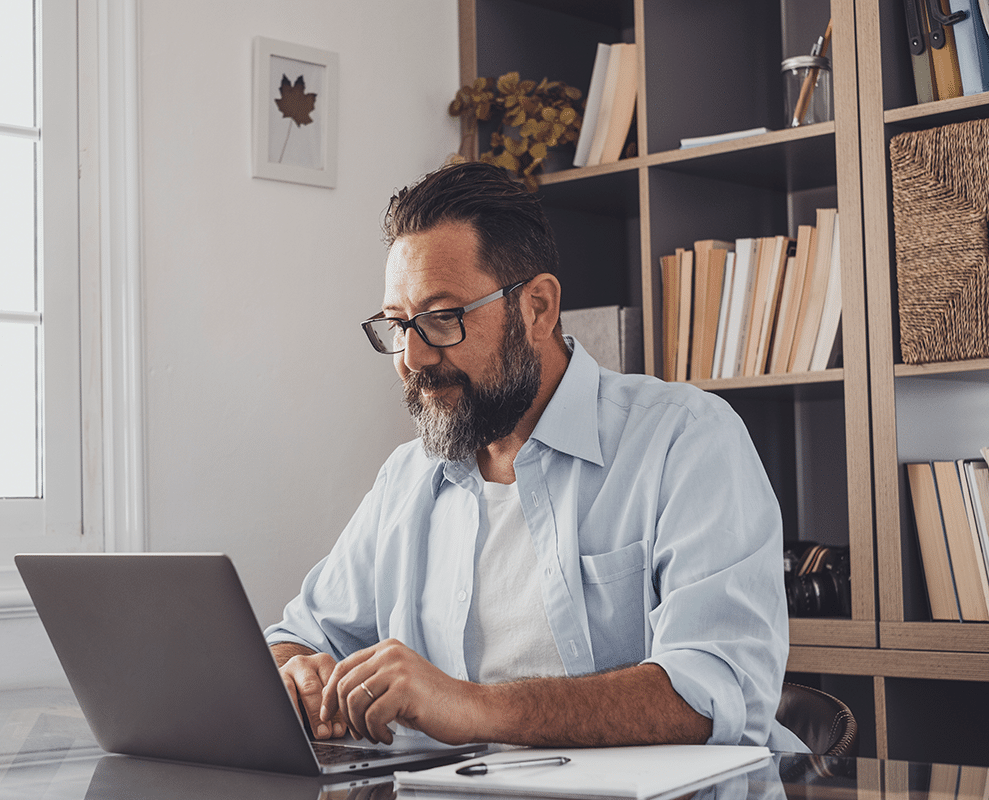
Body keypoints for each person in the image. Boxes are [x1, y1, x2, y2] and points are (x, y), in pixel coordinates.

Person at [264, 161, 806, 753]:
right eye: (397, 325)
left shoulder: (685, 439)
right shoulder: (407, 478)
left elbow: (717, 688)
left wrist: (469, 706)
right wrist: (296, 671)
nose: (411, 357)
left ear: (538, 309)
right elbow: (298, 636)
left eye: (442, 319)